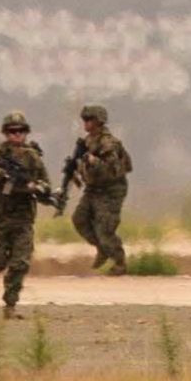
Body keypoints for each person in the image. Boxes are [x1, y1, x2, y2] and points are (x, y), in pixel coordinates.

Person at [0, 111, 56, 315]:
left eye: (21, 131)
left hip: (22, 218)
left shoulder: (33, 159)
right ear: (6, 133)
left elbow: (46, 186)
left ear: (26, 133)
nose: (17, 135)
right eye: (12, 131)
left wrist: (37, 188)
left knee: (20, 263)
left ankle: (10, 304)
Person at [63, 104, 132, 273]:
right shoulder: (87, 142)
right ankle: (103, 249)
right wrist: (75, 170)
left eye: (89, 119)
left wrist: (95, 162)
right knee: (79, 219)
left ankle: (119, 262)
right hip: (94, 188)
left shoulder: (108, 143)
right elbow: (83, 167)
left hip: (111, 190)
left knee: (104, 227)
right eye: (84, 119)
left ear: (99, 121)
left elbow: (113, 170)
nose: (85, 123)